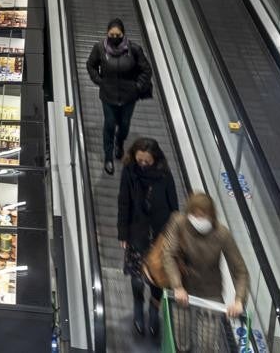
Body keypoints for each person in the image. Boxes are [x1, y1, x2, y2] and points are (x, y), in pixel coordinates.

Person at [162, 192, 248, 352]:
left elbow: (240, 271)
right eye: (195, 215)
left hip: (210, 294)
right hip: (184, 290)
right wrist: (177, 285)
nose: (199, 220)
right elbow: (168, 255)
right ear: (189, 213)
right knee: (180, 341)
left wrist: (239, 300)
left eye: (203, 216)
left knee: (207, 345)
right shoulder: (179, 223)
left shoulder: (222, 234)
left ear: (212, 215)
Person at [118, 138, 178, 337]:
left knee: (156, 277)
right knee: (137, 277)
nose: (143, 164)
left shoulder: (164, 176)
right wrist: (122, 233)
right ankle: (138, 307)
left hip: (160, 236)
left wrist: (172, 235)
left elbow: (174, 207)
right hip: (137, 233)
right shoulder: (129, 172)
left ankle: (153, 310)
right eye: (140, 159)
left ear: (155, 158)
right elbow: (124, 202)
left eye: (147, 160)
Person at [86, 18, 153, 174]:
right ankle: (108, 157)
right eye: (112, 34)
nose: (114, 37)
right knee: (109, 125)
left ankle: (120, 143)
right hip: (108, 96)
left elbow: (146, 70)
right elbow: (91, 65)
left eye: (118, 35)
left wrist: (137, 87)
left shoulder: (134, 49)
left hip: (128, 97)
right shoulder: (99, 49)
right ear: (107, 33)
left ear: (123, 34)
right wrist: (99, 81)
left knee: (124, 125)